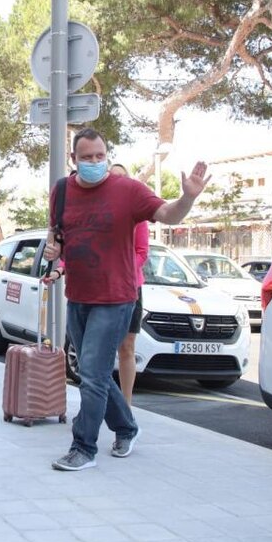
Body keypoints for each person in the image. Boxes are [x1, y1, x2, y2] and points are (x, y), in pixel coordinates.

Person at [45, 128, 208, 471]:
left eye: (100, 156)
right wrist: (53, 249)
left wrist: (188, 198)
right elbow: (57, 233)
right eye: (86, 157)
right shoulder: (61, 191)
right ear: (73, 159)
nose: (94, 162)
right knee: (94, 373)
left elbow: (169, 214)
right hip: (78, 296)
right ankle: (127, 427)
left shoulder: (128, 190)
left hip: (116, 297)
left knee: (91, 374)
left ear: (107, 156)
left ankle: (83, 448)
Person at [110, 163, 149, 405]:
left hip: (130, 287)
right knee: (100, 349)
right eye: (113, 178)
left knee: (127, 347)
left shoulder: (138, 216)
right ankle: (98, 401)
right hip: (102, 289)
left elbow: (142, 252)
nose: (118, 182)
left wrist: (120, 269)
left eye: (123, 177)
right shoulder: (99, 212)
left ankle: (126, 405)